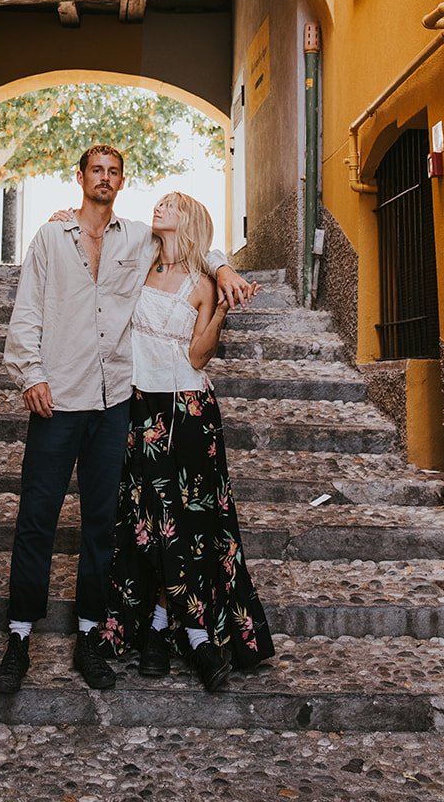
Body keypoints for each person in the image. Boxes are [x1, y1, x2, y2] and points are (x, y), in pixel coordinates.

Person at [0, 144, 252, 695]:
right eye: (96, 171)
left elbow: (198, 241)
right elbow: (28, 308)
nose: (104, 179)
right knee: (38, 516)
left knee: (101, 525)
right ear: (79, 177)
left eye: (113, 173)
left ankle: (90, 637)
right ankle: (18, 639)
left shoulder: (138, 237)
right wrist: (30, 373)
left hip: (114, 405)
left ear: (120, 182)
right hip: (58, 394)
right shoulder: (49, 237)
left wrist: (224, 265)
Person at [100, 191, 275, 691]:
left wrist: (220, 306)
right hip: (137, 407)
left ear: (190, 219)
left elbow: (199, 357)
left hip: (187, 410)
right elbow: (101, 227)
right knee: (146, 520)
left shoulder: (202, 283)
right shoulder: (137, 263)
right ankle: (181, 633)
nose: (160, 208)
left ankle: (164, 630)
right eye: (159, 202)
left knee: (187, 523)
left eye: (172, 204)